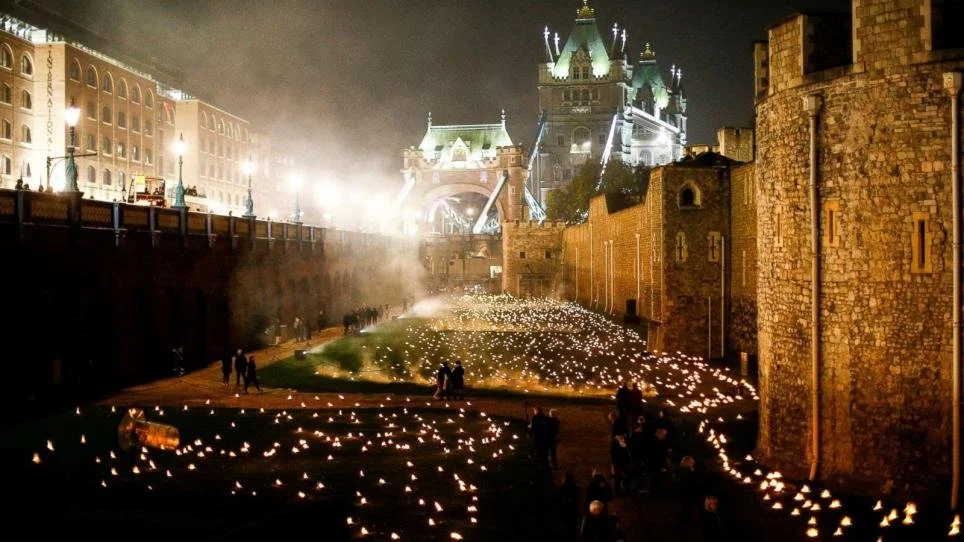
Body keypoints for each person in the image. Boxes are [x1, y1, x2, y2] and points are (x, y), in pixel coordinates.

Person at [678, 455, 705, 525]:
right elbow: (692, 480)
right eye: (692, 461)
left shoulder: (687, 470)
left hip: (688, 492)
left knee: (688, 508)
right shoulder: (685, 471)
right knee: (687, 508)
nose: (693, 462)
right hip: (688, 492)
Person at [558, 471, 581, 536]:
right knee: (571, 528)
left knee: (569, 528)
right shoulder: (575, 488)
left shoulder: (562, 488)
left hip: (567, 510)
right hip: (570, 511)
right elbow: (578, 497)